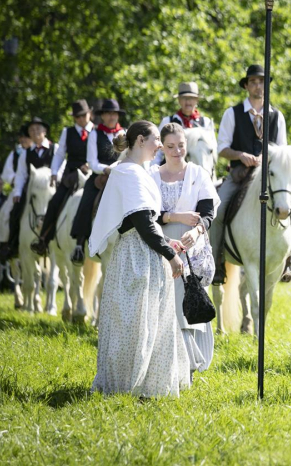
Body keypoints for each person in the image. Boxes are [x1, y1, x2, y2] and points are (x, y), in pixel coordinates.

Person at [89, 121, 190, 397]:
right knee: (135, 322)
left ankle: (148, 382)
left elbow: (146, 222)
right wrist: (170, 255)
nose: (160, 145)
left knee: (149, 320)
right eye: (157, 139)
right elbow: (142, 223)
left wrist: (167, 242)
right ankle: (129, 385)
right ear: (141, 141)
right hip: (136, 256)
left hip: (144, 250)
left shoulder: (138, 172)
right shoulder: (129, 173)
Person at [211, 64, 291, 285]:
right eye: (253, 81)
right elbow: (221, 148)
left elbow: (283, 151)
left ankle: (288, 262)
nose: (257, 85)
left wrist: (267, 159)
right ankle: (217, 264)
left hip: (268, 178)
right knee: (218, 212)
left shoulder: (277, 116)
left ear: (266, 85)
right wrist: (241, 155)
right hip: (240, 175)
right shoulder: (232, 113)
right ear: (246, 86)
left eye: (261, 81)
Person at [151, 122, 220, 380]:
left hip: (192, 244)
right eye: (170, 146)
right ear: (162, 147)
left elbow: (208, 213)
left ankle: (189, 361)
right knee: (167, 302)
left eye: (181, 145)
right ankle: (177, 362)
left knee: (186, 300)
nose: (177, 151)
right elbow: (148, 215)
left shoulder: (198, 173)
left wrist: (197, 231)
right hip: (162, 243)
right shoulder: (152, 175)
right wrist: (175, 216)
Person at [31, 100, 95, 255]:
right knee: (54, 203)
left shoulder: (97, 131)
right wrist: (54, 172)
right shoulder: (68, 132)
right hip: (71, 175)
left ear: (89, 114)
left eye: (83, 115)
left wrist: (91, 165)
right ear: (74, 118)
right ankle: (43, 240)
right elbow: (59, 155)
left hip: (94, 174)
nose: (81, 119)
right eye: (77, 117)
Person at [69, 99, 125, 265]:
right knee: (86, 201)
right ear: (102, 116)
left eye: (114, 113)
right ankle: (79, 244)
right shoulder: (94, 134)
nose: (111, 116)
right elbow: (92, 162)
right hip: (100, 176)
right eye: (108, 113)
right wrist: (107, 169)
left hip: (122, 176)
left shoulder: (126, 133)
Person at [2, 117, 61, 260]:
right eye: (31, 130)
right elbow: (21, 174)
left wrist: (55, 178)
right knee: (15, 212)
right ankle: (14, 244)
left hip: (50, 187)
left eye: (37, 129)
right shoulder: (25, 153)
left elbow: (61, 168)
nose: (35, 132)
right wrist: (17, 192)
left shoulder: (56, 149)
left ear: (44, 131)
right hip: (31, 189)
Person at [155, 82, 217, 164]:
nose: (188, 101)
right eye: (184, 98)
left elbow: (212, 149)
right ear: (179, 100)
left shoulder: (205, 122)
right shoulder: (167, 121)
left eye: (191, 98)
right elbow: (157, 151)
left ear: (197, 100)